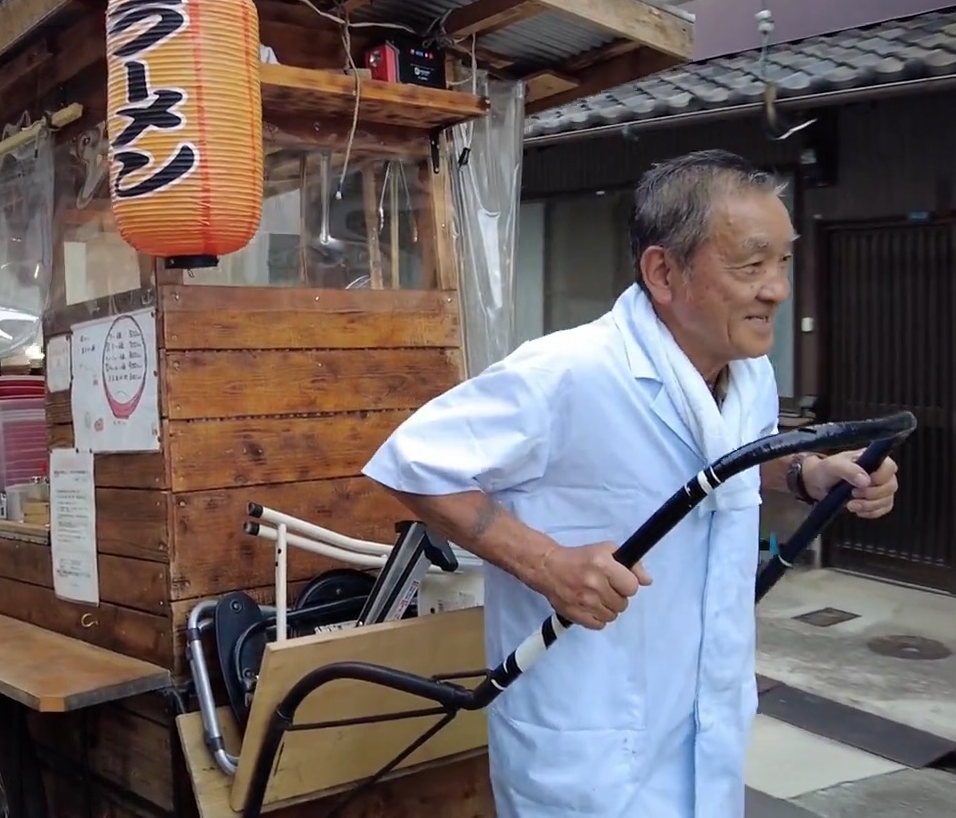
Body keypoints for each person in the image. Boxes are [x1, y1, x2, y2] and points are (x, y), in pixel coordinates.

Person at [361, 149, 901, 818]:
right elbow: (412, 463)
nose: (777, 289)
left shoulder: (748, 372)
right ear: (664, 272)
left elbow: (730, 457)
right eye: (750, 264)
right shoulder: (570, 371)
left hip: (706, 720)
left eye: (783, 261)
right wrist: (549, 564)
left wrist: (806, 472)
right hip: (589, 744)